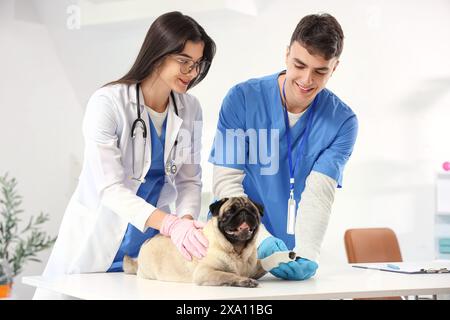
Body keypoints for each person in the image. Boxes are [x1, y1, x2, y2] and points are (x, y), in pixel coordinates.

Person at [34, 11, 216, 299]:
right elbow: (109, 188)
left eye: (197, 65)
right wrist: (170, 224)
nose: (191, 73)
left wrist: (185, 223)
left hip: (146, 252)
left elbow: (189, 181)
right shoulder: (108, 103)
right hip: (95, 244)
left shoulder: (190, 108)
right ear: (158, 55)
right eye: (183, 62)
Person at [209, 13, 358, 280]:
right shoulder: (241, 99)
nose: (306, 79)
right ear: (287, 54)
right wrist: (261, 239)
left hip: (287, 254)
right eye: (299, 64)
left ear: (334, 67)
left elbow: (319, 195)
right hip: (229, 248)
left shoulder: (342, 122)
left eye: (320, 71)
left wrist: (308, 252)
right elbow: (226, 184)